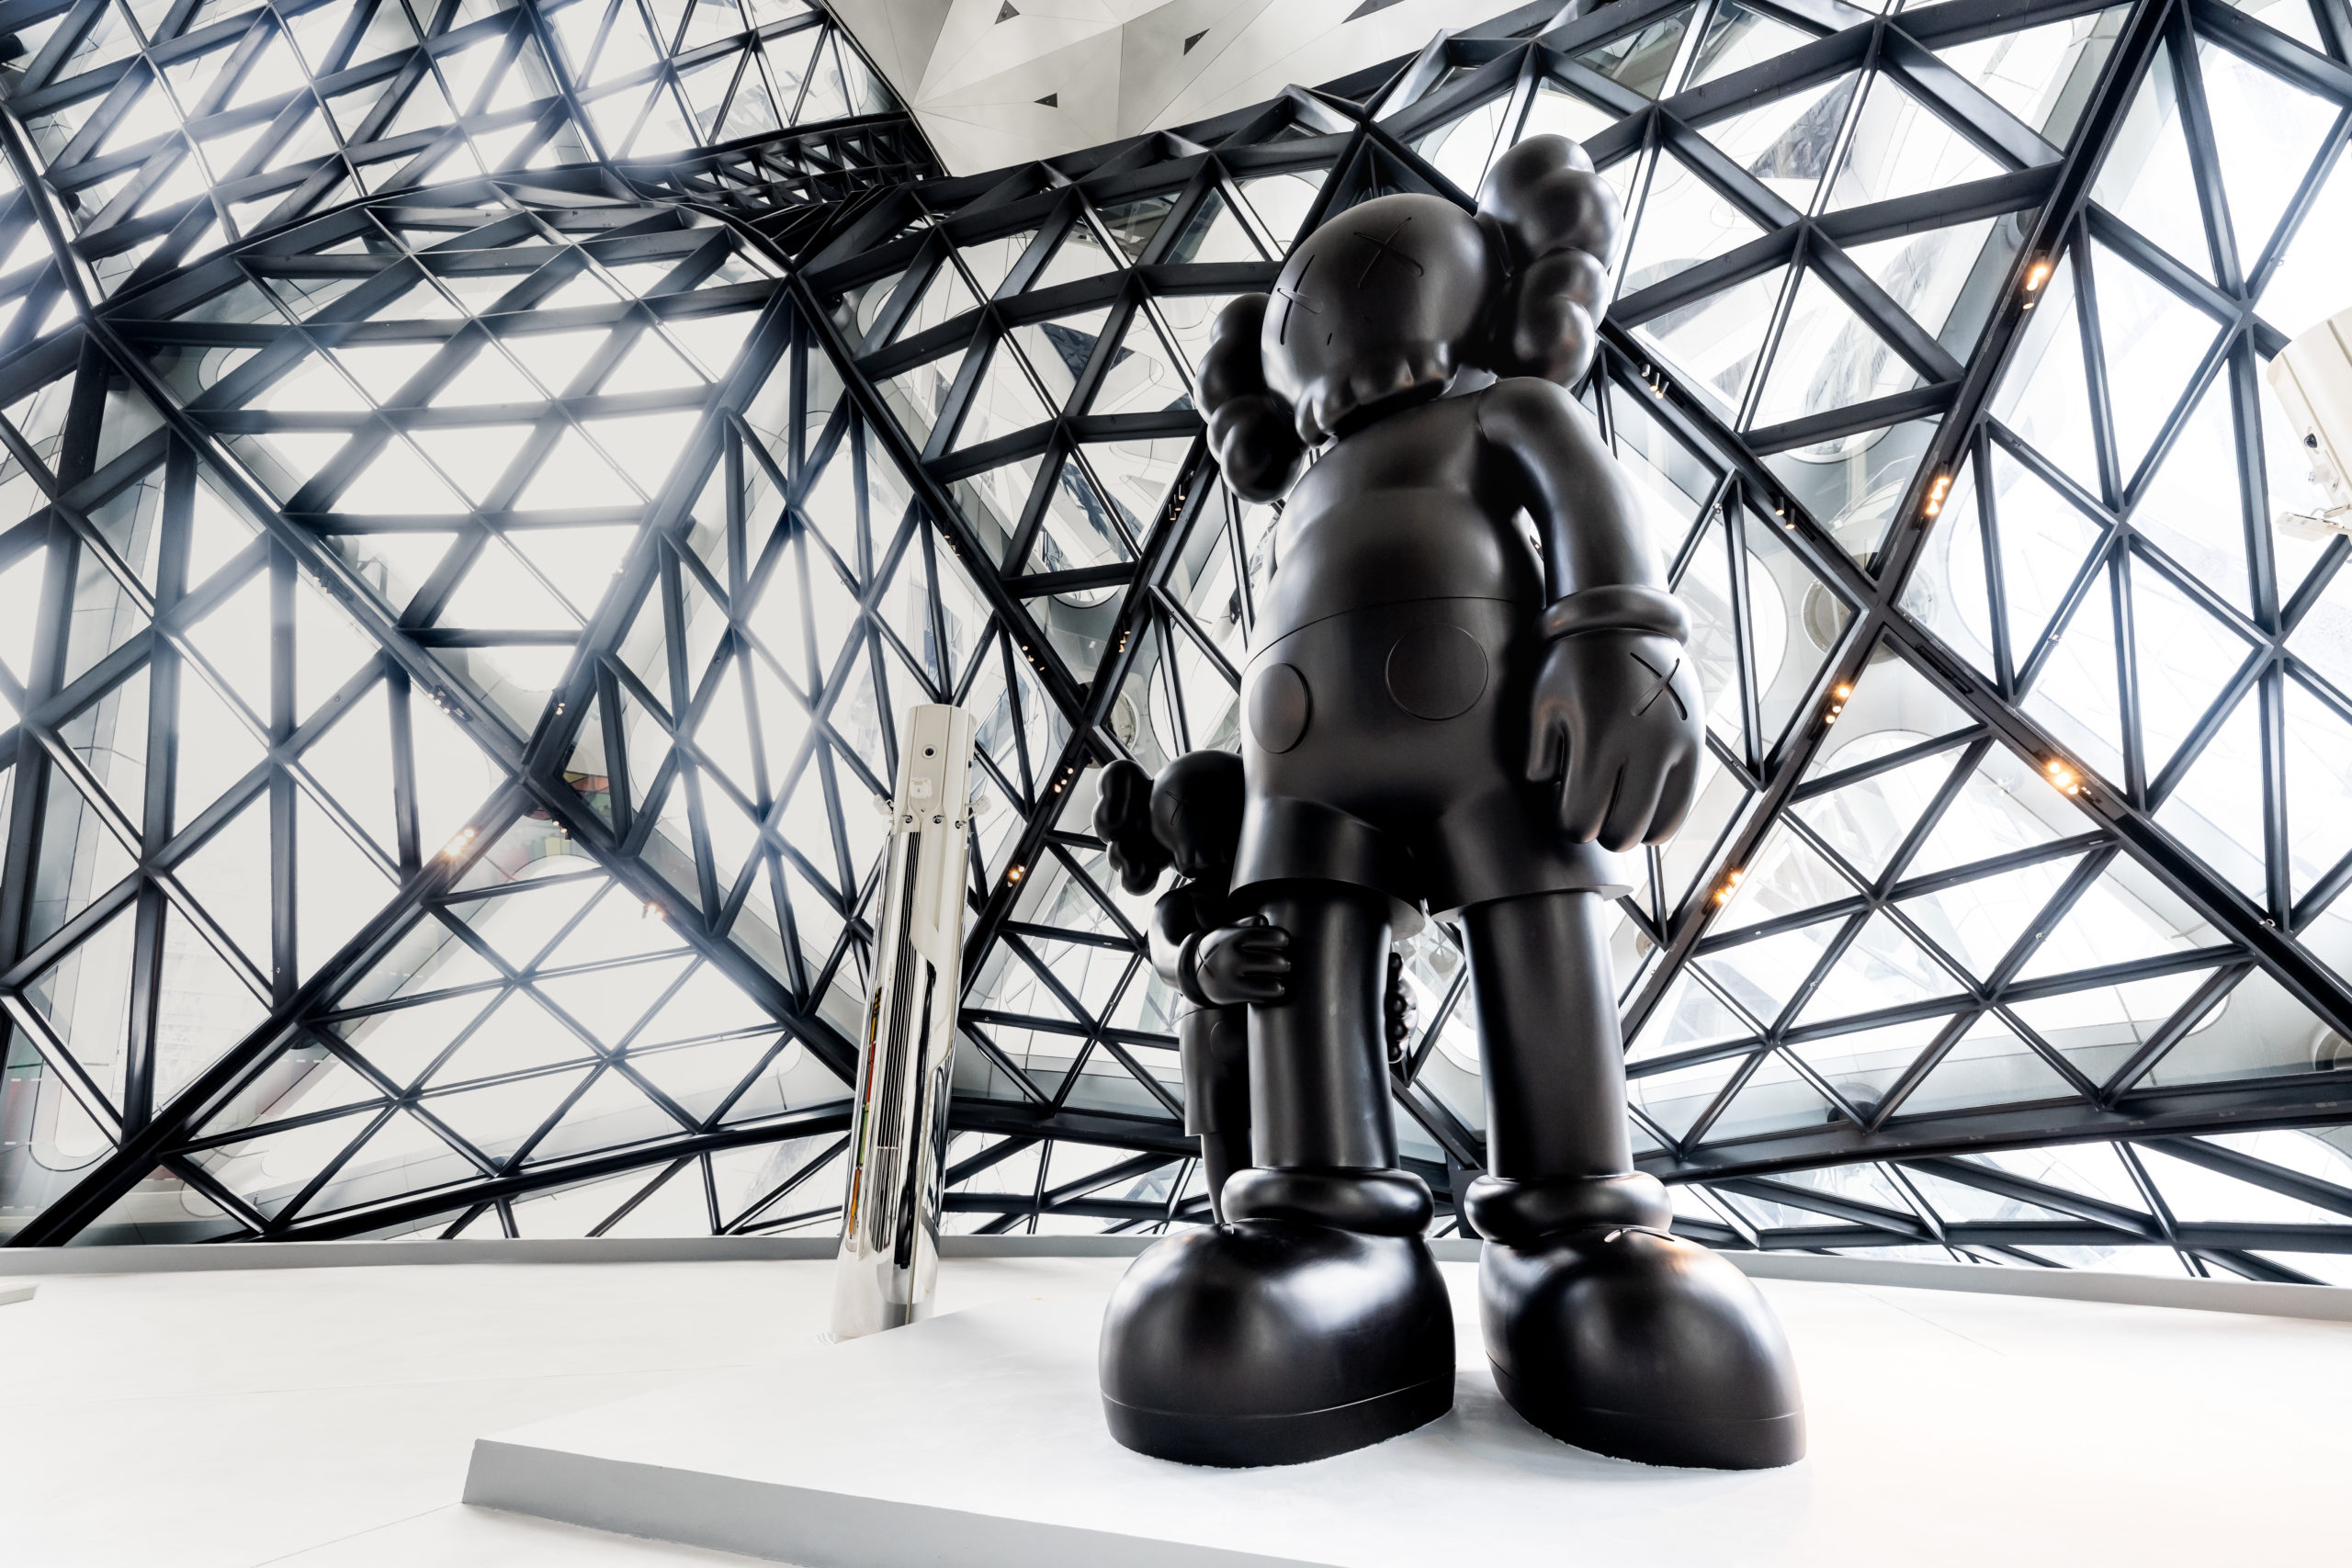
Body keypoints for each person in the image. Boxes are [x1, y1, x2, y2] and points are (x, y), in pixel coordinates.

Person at [1098, 134, 1803, 1471]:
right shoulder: (1306, 480)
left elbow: (1594, 518)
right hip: (1303, 775)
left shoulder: (1508, 413)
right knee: (1304, 970)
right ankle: (1323, 1219)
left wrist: (1619, 636)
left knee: (1540, 944)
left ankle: (1576, 1221)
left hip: (1498, 744)